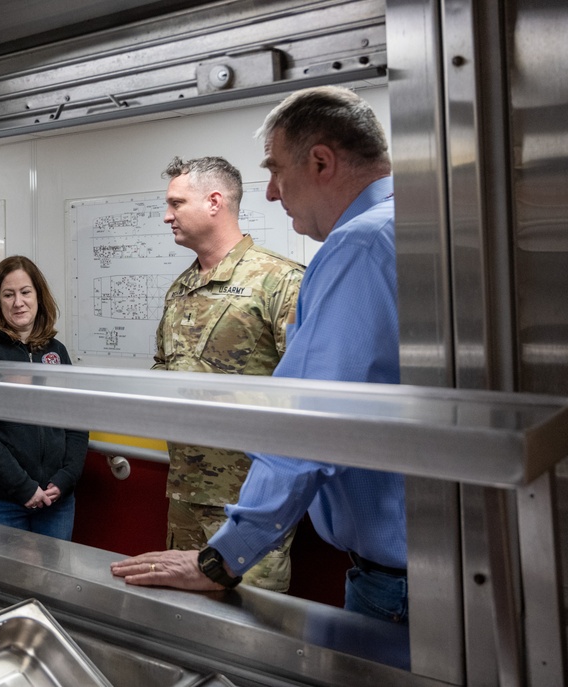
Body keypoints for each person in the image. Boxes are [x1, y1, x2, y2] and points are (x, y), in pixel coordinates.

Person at [111, 86, 408, 625]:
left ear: (321, 161)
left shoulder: (350, 250)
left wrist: (227, 557)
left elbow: (306, 422)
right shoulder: (404, 228)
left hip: (275, 519)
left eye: (275, 170)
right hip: (193, 491)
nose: (270, 192)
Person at [155, 156, 303, 592]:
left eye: (176, 203)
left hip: (250, 505)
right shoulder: (180, 289)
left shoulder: (279, 281)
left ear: (215, 202)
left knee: (252, 628)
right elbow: (163, 370)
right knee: (187, 621)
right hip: (185, 493)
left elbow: (305, 395)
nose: (168, 215)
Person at [0, 255, 89, 540]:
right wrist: (22, 486)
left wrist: (67, 477)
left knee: (49, 582)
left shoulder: (57, 351)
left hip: (56, 500)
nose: (18, 302)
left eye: (25, 292)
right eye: (8, 294)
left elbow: (76, 418)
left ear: (38, 296)